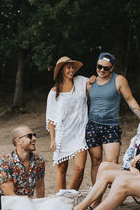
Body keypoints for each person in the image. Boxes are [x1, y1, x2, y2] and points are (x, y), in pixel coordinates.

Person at [75, 109, 140, 210]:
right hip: (132, 172)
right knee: (104, 165)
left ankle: (79, 208)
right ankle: (95, 204)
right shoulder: (138, 138)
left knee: (106, 174)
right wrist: (131, 168)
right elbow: (127, 157)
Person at [86, 52, 140, 185]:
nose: (102, 70)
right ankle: (96, 197)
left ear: (112, 68)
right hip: (92, 125)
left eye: (106, 68)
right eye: (99, 66)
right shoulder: (90, 83)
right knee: (95, 162)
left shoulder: (119, 80)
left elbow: (130, 99)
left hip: (111, 126)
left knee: (111, 163)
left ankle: (114, 194)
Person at [46, 56, 94, 191]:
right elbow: (51, 118)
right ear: (62, 70)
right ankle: (61, 202)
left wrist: (93, 80)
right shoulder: (54, 92)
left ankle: (69, 198)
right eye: (68, 67)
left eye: (73, 67)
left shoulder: (81, 81)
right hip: (63, 134)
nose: (71, 70)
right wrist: (52, 139)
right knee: (62, 169)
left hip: (80, 133)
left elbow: (92, 85)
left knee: (80, 169)